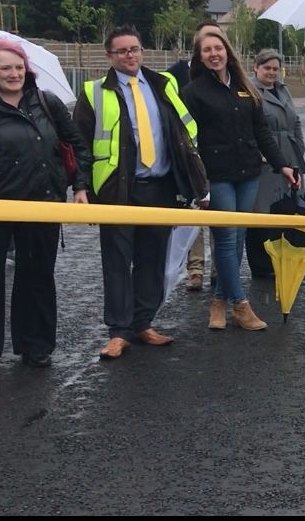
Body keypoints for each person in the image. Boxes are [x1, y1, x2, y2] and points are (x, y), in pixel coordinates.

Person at [74, 25, 208, 360]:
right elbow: (79, 145)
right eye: (121, 51)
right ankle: (118, 332)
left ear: (141, 50)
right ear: (109, 56)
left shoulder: (165, 83)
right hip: (118, 189)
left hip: (161, 187)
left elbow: (185, 125)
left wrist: (191, 170)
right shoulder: (94, 92)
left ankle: (143, 322)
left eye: (134, 49)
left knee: (152, 260)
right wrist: (81, 187)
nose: (129, 55)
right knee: (117, 262)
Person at [0, 37, 92, 373]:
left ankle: (36, 346)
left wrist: (79, 186)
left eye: (19, 67)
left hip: (42, 202)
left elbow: (77, 144)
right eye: (5, 68)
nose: (14, 73)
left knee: (37, 277)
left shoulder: (47, 103)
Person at [182, 32, 297, 332]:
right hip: (217, 176)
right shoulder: (193, 92)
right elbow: (187, 141)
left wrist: (282, 165)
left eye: (218, 47)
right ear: (200, 56)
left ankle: (219, 302)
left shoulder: (247, 88)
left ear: (227, 51)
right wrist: (196, 182)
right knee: (226, 237)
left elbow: (262, 133)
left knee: (237, 238)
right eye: (207, 50)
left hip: (248, 173)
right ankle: (241, 304)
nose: (213, 53)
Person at [168, 21, 223, 292]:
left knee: (219, 212)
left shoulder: (227, 75)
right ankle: (195, 269)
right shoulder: (174, 75)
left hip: (219, 154)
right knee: (194, 212)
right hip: (189, 153)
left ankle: (217, 269)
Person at [245, 49, 305, 279]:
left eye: (275, 69)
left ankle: (287, 262)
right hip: (265, 161)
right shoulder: (250, 92)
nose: (272, 73)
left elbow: (296, 120)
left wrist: (299, 147)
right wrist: (261, 154)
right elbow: (250, 126)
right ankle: (262, 266)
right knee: (262, 213)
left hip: (290, 157)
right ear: (256, 68)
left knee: (289, 211)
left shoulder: (284, 91)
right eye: (267, 68)